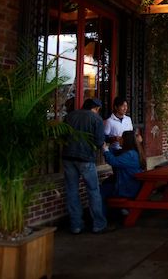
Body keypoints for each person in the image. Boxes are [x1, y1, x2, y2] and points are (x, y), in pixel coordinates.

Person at [62, 98, 111, 234]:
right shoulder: (96, 119)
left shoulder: (69, 116)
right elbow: (100, 140)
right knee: (93, 190)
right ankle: (98, 224)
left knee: (72, 190)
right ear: (96, 108)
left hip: (67, 156)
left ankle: (76, 225)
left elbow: (62, 135)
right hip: (86, 158)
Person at [101, 130, 146, 212]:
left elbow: (113, 161)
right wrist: (110, 146)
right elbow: (116, 154)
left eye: (121, 138)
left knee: (99, 192)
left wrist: (105, 150)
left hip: (127, 189)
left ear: (127, 141)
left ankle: (101, 220)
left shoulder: (130, 154)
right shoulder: (135, 152)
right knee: (105, 186)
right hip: (133, 186)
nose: (119, 139)